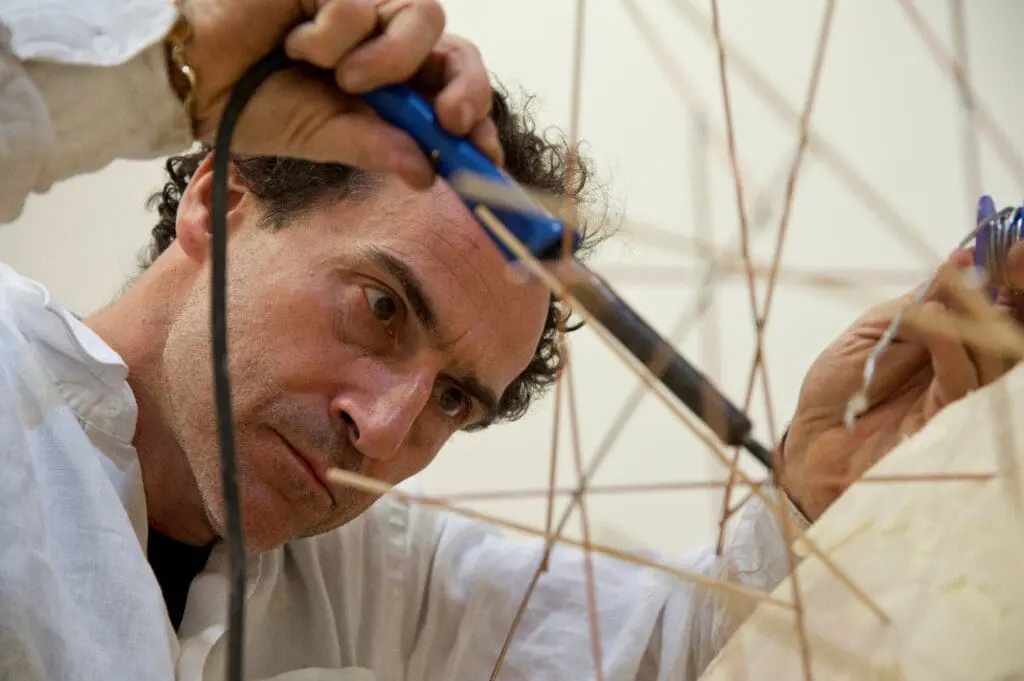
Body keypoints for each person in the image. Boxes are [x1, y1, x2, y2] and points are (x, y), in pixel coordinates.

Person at [1, 1, 1019, 680]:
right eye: (382, 308)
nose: (382, 430)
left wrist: (815, 506)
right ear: (221, 202)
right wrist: (170, 67)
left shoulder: (374, 574)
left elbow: (668, 651)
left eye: (453, 398)